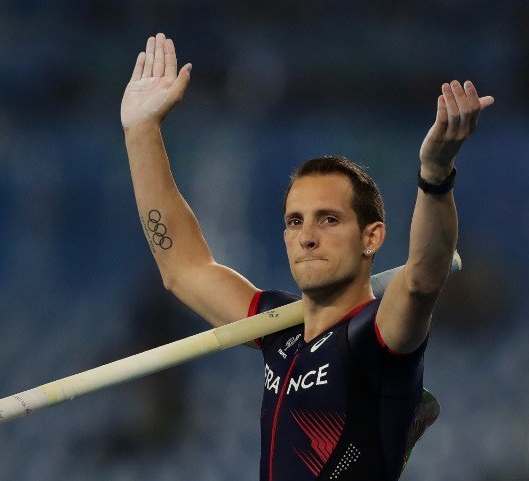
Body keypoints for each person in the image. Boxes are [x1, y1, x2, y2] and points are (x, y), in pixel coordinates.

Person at [120, 33, 493, 481]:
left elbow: (422, 281)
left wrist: (434, 176)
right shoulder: (278, 328)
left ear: (371, 238)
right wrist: (141, 132)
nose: (307, 237)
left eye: (329, 220)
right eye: (295, 221)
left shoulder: (373, 336)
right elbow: (183, 268)